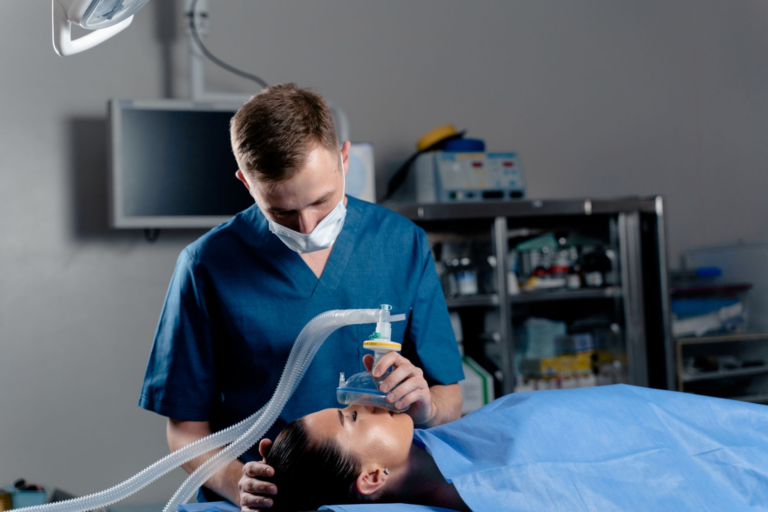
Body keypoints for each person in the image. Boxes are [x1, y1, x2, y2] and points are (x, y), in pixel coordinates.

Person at [139, 84, 464, 508]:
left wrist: (426, 407)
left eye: (321, 201)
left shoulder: (400, 244)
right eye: (283, 212)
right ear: (246, 183)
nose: (308, 226)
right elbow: (185, 429)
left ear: (343, 160)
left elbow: (449, 396)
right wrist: (238, 483)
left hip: (376, 500)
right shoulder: (207, 265)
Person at [254, 384, 768, 511]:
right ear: (371, 478)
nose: (364, 405)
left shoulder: (444, 440)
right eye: (350, 418)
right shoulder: (495, 489)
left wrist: (428, 402)